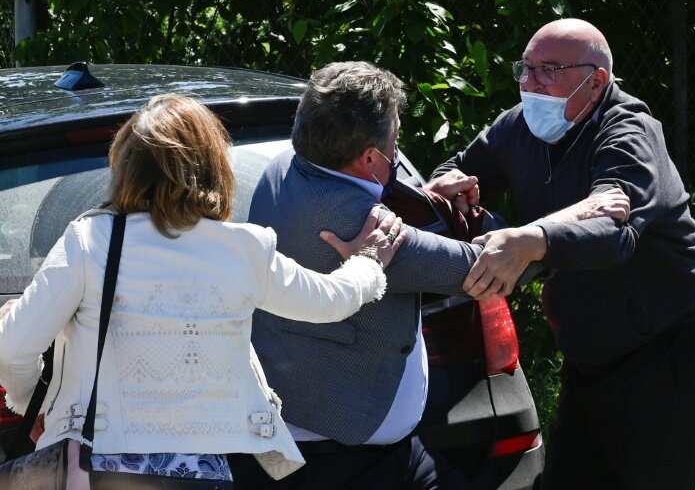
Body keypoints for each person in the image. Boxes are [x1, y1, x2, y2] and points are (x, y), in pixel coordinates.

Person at [231, 61, 628, 490]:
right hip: (348, 459)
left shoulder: (283, 166)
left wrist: (426, 202)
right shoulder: (365, 228)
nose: (397, 153)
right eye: (395, 140)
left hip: (316, 427)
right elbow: (490, 266)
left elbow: (354, 194)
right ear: (369, 158)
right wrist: (577, 215)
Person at [0, 93, 405, 489]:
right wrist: (369, 260)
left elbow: (12, 348)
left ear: (125, 169)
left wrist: (36, 404)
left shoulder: (91, 241)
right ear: (214, 169)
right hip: (199, 477)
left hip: (94, 468)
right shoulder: (245, 248)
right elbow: (330, 301)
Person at [427, 19, 695, 489]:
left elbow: (614, 232)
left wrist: (530, 240)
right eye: (525, 68)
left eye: (549, 70)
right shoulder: (518, 126)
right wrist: (447, 184)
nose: (530, 84)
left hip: (668, 343)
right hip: (591, 345)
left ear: (597, 81)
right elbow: (462, 167)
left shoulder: (629, 131)